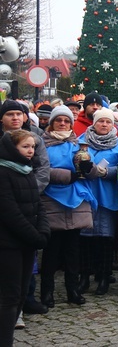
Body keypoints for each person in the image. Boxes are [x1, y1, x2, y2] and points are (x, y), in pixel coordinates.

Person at [39, 105, 95, 308]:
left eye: (66, 121)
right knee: (51, 250)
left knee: (73, 250)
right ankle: (47, 292)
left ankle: (72, 290)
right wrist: (65, 176)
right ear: (52, 123)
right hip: (52, 199)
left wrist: (91, 168)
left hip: (75, 201)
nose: (62, 124)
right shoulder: (42, 145)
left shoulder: (78, 144)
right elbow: (41, 170)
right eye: (58, 120)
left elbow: (91, 170)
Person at [0, 129, 50, 346]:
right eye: (25, 147)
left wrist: (43, 230)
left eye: (32, 147)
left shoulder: (26, 170)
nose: (30, 151)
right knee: (9, 296)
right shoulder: (3, 172)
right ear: (13, 148)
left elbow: (38, 204)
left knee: (20, 295)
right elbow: (9, 211)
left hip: (28, 242)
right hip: (8, 244)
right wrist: (35, 236)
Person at [77, 108, 118, 296]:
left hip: (108, 197)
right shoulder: (81, 141)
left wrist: (107, 172)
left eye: (108, 122)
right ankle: (84, 277)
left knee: (106, 239)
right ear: (94, 123)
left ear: (113, 124)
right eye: (101, 121)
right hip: (85, 196)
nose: (104, 125)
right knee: (85, 240)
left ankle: (104, 277)